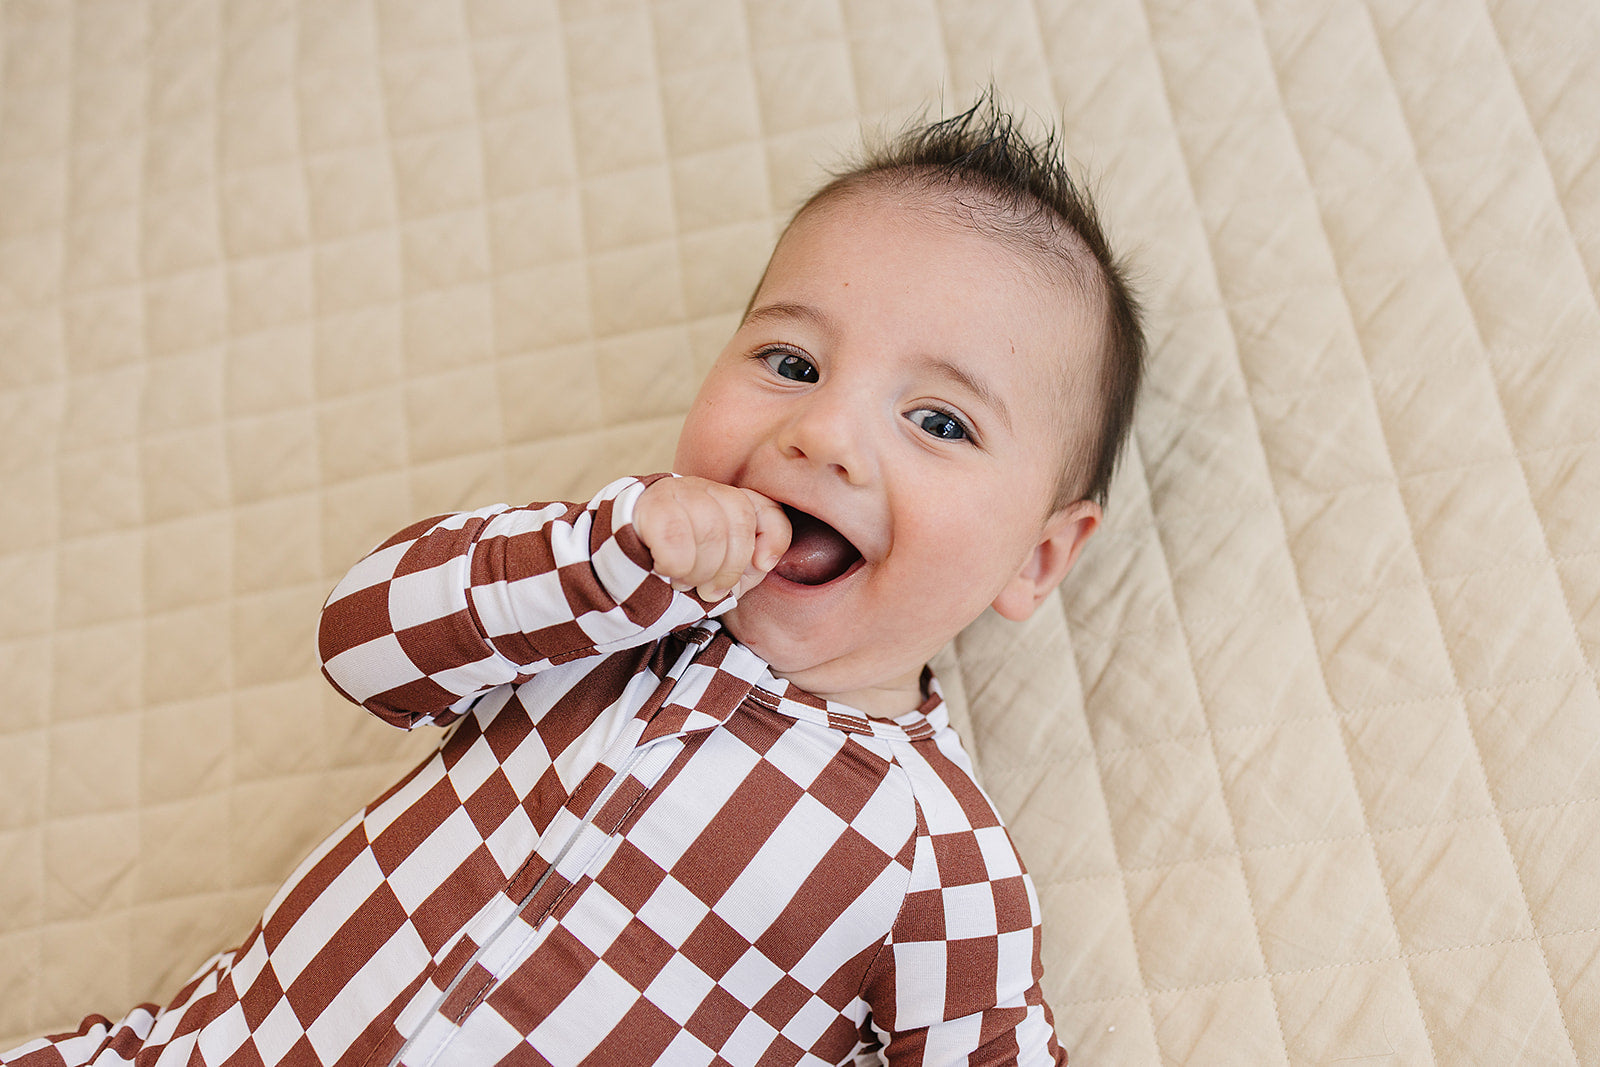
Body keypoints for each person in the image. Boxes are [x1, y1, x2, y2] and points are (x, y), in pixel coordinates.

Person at [3, 94, 1142, 1067]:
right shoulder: (591, 606)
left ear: (1037, 557)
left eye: (937, 420)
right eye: (790, 361)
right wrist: (603, 558)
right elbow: (362, 644)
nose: (824, 432)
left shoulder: (933, 852)